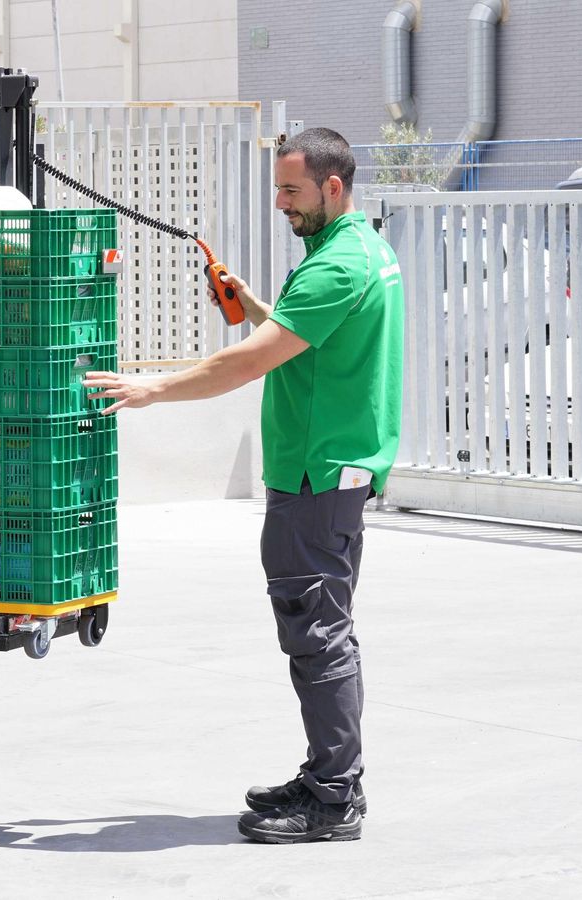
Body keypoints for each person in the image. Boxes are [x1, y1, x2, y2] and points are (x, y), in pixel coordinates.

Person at [82, 128, 403, 844]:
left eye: (292, 191)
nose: (282, 204)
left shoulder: (336, 270)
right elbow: (295, 337)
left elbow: (248, 365)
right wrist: (254, 301)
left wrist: (154, 388)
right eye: (279, 190)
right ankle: (328, 772)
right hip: (334, 471)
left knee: (317, 635)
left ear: (334, 187)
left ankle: (333, 797)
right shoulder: (362, 251)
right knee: (324, 631)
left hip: (315, 475)